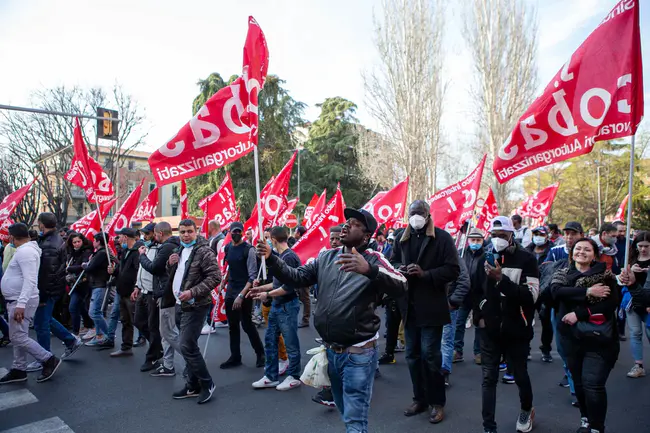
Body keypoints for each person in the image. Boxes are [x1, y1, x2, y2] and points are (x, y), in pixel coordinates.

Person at [257, 208, 407, 433]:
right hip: (330, 352)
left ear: (366, 236)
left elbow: (402, 283)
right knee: (344, 409)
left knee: (355, 419)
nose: (346, 225)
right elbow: (297, 277)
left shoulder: (373, 258)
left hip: (358, 354)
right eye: (347, 221)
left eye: (355, 223)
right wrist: (272, 259)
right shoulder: (327, 256)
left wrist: (370, 270)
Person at [391, 200, 460, 424]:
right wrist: (399, 270)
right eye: (412, 213)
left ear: (429, 214)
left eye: (420, 213)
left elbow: (453, 269)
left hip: (431, 307)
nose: (416, 216)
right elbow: (390, 263)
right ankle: (419, 398)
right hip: (409, 307)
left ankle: (437, 403)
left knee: (431, 356)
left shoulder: (442, 238)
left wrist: (425, 274)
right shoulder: (401, 236)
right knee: (412, 356)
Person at [474, 216, 539, 433]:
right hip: (490, 330)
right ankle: (488, 425)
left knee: (520, 375)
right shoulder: (484, 257)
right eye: (494, 235)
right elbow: (475, 291)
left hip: (517, 329)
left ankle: (526, 409)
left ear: (512, 235)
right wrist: (480, 316)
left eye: (502, 235)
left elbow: (531, 296)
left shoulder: (526, 259)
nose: (498, 239)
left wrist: (502, 280)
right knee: (488, 377)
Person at [552, 238, 620, 433]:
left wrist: (578, 313)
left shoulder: (605, 276)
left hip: (599, 338)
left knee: (593, 385)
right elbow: (555, 293)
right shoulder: (562, 273)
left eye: (587, 249)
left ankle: (597, 427)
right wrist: (588, 291)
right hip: (570, 338)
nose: (581, 252)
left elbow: (610, 303)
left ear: (594, 255)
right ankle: (585, 419)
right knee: (579, 383)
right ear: (572, 253)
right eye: (578, 249)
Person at [0, 223, 62, 385]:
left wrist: (21, 303)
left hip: (21, 300)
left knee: (17, 336)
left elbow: (30, 280)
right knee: (19, 335)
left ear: (13, 236)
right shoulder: (25, 250)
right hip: (18, 299)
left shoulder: (26, 251)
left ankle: (48, 359)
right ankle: (19, 368)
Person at [168, 219, 220, 404]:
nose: (185, 235)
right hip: (179, 304)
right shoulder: (180, 250)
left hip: (196, 305)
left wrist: (192, 292)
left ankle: (207, 383)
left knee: (187, 345)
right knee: (187, 346)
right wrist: (170, 264)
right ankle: (192, 384)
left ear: (196, 231)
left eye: (189, 231)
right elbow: (178, 275)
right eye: (182, 232)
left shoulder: (204, 251)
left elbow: (215, 277)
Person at [250, 226, 302, 391]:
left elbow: (290, 286)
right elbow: (278, 283)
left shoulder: (290, 257)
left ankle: (294, 376)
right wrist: (262, 289)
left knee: (290, 343)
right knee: (270, 340)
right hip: (278, 304)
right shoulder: (280, 256)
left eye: (267, 239)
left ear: (272, 239)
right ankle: (271, 376)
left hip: (288, 305)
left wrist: (268, 294)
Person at [30, 212, 81, 372]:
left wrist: (42, 295)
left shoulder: (49, 243)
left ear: (42, 224)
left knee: (41, 324)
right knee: (46, 319)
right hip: (52, 288)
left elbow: (47, 272)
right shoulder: (51, 240)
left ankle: (45, 357)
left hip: (47, 289)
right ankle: (70, 340)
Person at [219, 222, 265, 369]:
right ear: (229, 233)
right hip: (231, 289)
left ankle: (261, 354)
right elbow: (229, 269)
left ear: (243, 232)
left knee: (247, 324)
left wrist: (241, 295)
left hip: (244, 289)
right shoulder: (228, 248)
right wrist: (223, 283)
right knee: (232, 325)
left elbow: (252, 276)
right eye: (233, 232)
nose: (236, 234)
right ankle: (235, 356)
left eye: (239, 231)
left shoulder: (248, 250)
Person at [139, 221, 181, 377]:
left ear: (160, 234)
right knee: (165, 333)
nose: (153, 238)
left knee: (168, 332)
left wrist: (142, 256)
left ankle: (192, 360)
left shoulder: (167, 247)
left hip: (166, 293)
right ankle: (168, 365)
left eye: (154, 234)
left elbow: (154, 268)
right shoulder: (171, 246)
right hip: (165, 292)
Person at [311, 225, 343, 408]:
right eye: (331, 238)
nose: (334, 241)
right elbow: (300, 276)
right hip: (327, 323)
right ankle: (331, 391)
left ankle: (333, 393)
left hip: (345, 323)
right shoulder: (323, 260)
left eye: (338, 238)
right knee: (330, 358)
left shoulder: (352, 261)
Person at [107, 227, 143, 357]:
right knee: (125, 321)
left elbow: (139, 272)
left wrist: (136, 288)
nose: (118, 239)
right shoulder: (125, 251)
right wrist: (114, 271)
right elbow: (123, 271)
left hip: (131, 293)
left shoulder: (136, 252)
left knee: (138, 321)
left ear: (126, 237)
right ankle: (126, 347)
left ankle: (156, 350)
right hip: (122, 291)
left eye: (120, 236)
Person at [133, 223, 164, 372]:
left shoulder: (159, 249)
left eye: (147, 233)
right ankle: (157, 346)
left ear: (155, 233)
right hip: (143, 291)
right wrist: (137, 286)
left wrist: (142, 256)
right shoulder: (145, 248)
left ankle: (153, 356)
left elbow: (153, 268)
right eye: (143, 234)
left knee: (153, 326)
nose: (144, 236)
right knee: (138, 321)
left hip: (152, 292)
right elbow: (141, 270)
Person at [621, 231, 650, 378]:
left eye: (646, 246)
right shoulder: (630, 258)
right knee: (635, 333)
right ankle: (638, 365)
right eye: (640, 246)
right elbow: (621, 280)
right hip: (632, 301)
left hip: (648, 302)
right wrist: (629, 271)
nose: (643, 249)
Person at [454, 228, 484, 365]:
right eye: (473, 240)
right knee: (459, 322)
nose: (475, 243)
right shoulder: (461, 255)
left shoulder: (485, 255)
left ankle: (478, 352)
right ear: (468, 241)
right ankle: (457, 350)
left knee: (479, 324)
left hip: (479, 295)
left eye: (478, 240)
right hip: (464, 294)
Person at [441, 253, 470, 386]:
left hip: (447, 306)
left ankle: (444, 372)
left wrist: (453, 302)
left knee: (446, 341)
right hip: (428, 306)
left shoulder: (455, 258)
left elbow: (464, 281)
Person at [83, 234, 112, 347]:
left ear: (98, 241)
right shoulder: (99, 253)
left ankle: (107, 334)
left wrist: (85, 265)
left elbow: (90, 268)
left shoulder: (102, 253)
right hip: (96, 284)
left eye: (94, 240)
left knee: (94, 312)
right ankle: (99, 335)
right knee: (95, 312)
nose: (92, 242)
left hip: (99, 284)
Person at [65, 233, 95, 339]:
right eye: (74, 242)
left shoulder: (86, 252)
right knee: (82, 307)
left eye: (79, 241)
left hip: (83, 282)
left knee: (73, 307)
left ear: (82, 241)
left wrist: (69, 268)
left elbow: (83, 266)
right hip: (74, 283)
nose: (77, 244)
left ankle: (76, 333)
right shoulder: (71, 253)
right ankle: (90, 326)